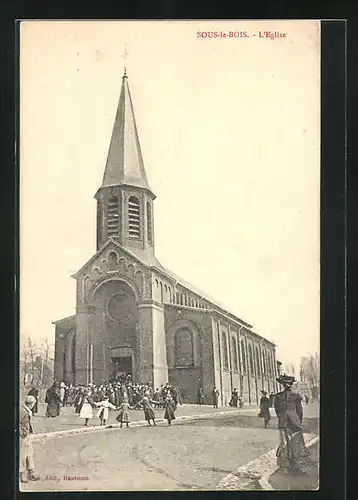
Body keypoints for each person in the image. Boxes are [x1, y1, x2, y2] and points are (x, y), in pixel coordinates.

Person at [274, 374, 311, 475]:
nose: (288, 385)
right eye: (286, 383)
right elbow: (277, 410)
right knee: (284, 444)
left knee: (296, 444)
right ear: (283, 384)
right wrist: (283, 418)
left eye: (289, 383)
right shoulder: (278, 397)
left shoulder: (296, 396)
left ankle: (297, 465)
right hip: (284, 424)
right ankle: (285, 466)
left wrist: (297, 421)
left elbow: (300, 411)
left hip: (294, 424)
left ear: (291, 385)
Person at [19, 396, 40, 483]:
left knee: (29, 454)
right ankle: (22, 474)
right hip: (23, 436)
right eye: (34, 404)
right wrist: (22, 433)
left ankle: (31, 473)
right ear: (31, 404)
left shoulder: (26, 410)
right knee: (23, 456)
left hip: (26, 435)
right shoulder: (23, 411)